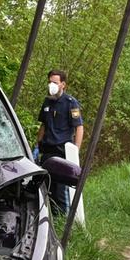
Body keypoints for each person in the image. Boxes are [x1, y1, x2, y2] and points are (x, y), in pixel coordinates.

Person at [35, 70, 84, 213]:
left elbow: (79, 128)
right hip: (47, 151)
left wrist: (76, 151)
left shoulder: (70, 103)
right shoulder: (47, 101)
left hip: (62, 152)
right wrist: (37, 145)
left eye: (55, 82)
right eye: (50, 82)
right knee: (46, 189)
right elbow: (43, 125)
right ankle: (50, 220)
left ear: (63, 84)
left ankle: (64, 221)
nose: (51, 85)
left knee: (61, 191)